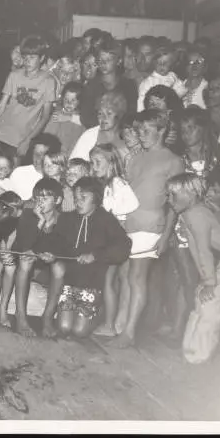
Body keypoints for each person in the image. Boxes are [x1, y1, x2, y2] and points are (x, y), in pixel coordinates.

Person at [109, 109, 185, 349]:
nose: (140, 134)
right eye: (138, 130)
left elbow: (175, 203)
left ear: (162, 130)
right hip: (127, 223)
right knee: (124, 275)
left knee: (136, 277)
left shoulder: (173, 160)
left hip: (151, 225)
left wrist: (166, 235)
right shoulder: (136, 156)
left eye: (146, 130)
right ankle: (119, 326)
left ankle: (129, 333)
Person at [166, 173, 220, 364]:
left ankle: (199, 354)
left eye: (174, 195)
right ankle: (191, 349)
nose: (169, 200)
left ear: (191, 194)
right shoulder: (189, 213)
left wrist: (209, 282)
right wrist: (205, 281)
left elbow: (203, 250)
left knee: (211, 304)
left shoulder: (196, 215)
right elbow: (196, 250)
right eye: (168, 195)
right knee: (201, 298)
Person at [57, 177, 132, 338]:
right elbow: (56, 242)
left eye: (83, 198)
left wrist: (95, 255)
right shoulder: (67, 218)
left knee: (79, 331)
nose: (78, 202)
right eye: (76, 199)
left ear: (96, 199)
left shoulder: (106, 220)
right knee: (64, 327)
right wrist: (50, 252)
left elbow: (124, 245)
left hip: (92, 285)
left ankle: (101, 312)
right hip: (70, 284)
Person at [12, 177, 76, 338]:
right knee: (25, 262)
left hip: (49, 260)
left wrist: (53, 256)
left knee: (59, 268)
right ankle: (20, 316)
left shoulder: (64, 219)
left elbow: (65, 247)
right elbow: (23, 245)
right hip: (28, 257)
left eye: (45, 198)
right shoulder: (28, 214)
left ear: (58, 200)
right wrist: (39, 222)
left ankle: (47, 318)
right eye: (38, 197)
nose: (40, 202)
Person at [88, 144, 140, 337]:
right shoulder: (103, 185)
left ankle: (111, 325)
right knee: (110, 281)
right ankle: (112, 322)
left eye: (98, 162)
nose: (94, 166)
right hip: (109, 238)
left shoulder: (117, 183)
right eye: (91, 162)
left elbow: (132, 205)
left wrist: (116, 219)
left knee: (111, 280)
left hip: (116, 240)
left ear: (111, 163)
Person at [0, 34, 56, 163]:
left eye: (32, 57)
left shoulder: (48, 81)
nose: (27, 61)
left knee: (11, 176)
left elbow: (45, 116)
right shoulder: (14, 75)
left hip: (20, 140)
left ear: (42, 58)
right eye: (25, 57)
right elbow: (1, 105)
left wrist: (28, 140)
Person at [79, 42, 138, 129]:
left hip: (121, 132)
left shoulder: (128, 85)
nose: (103, 63)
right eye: (100, 59)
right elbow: (86, 117)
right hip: (97, 131)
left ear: (119, 61)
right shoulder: (91, 85)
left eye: (108, 60)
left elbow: (131, 114)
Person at [0, 190, 24, 327]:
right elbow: (0, 240)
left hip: (15, 253)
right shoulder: (1, 217)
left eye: (19, 209)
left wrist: (9, 254)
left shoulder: (23, 218)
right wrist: (4, 253)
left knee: (10, 268)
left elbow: (19, 239)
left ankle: (4, 308)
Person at [70, 90, 130, 162]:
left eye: (109, 113)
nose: (103, 118)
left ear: (119, 115)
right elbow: (74, 164)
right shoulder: (90, 136)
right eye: (100, 113)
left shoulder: (129, 137)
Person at [3, 133, 62, 202]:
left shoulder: (52, 182)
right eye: (36, 154)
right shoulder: (19, 172)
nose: (37, 158)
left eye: (42, 155)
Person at [137, 45, 187, 111]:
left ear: (172, 64)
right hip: (154, 111)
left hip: (170, 109)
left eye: (165, 63)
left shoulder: (172, 76)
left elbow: (182, 89)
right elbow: (141, 101)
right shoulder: (148, 81)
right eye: (159, 63)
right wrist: (141, 114)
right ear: (154, 63)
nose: (161, 65)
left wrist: (175, 95)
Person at [44, 81, 85, 155]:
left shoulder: (81, 120)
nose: (69, 103)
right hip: (53, 154)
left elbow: (76, 143)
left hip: (69, 156)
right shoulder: (57, 114)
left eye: (73, 100)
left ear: (79, 101)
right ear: (62, 98)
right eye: (66, 99)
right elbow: (47, 136)